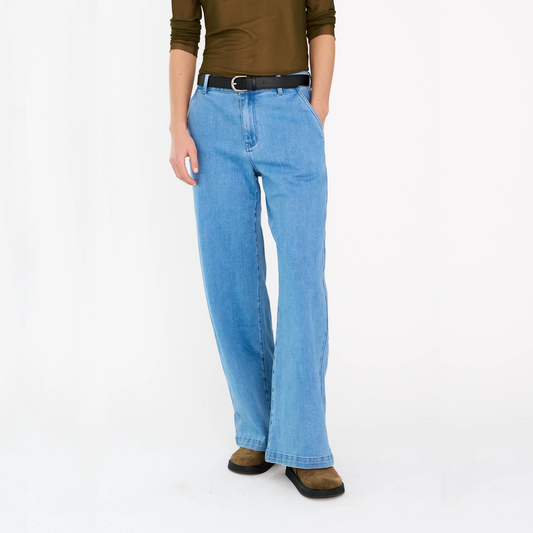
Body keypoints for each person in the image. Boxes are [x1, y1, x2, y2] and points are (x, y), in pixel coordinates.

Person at [168, 0, 344, 499]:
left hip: (291, 108)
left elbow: (322, 23)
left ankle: (304, 444)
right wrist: (178, 125)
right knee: (229, 277)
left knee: (303, 277)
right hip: (214, 115)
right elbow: (184, 33)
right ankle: (258, 430)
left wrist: (317, 109)